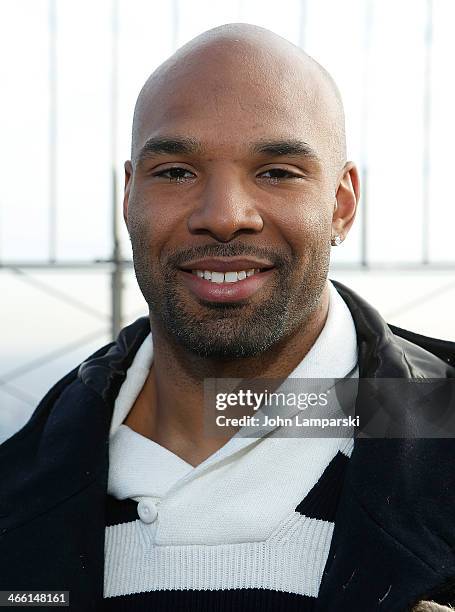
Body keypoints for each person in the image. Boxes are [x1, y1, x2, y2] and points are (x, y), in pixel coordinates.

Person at [1, 23, 454, 612]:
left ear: (342, 204)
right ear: (128, 198)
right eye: (176, 172)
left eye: (276, 172)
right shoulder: (19, 491)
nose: (224, 215)